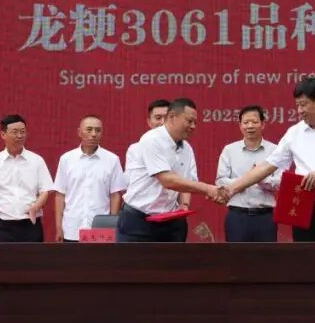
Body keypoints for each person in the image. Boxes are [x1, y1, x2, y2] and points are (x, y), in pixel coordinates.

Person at [224, 77, 315, 242]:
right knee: (304, 257)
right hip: (302, 208)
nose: (299, 110)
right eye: (297, 105)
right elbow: (267, 166)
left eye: (303, 104)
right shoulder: (294, 133)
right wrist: (231, 189)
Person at [117, 98, 221, 242]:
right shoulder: (152, 139)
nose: (193, 126)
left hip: (171, 221)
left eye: (195, 122)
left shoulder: (186, 148)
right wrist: (208, 189)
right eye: (189, 121)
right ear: (172, 117)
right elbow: (167, 180)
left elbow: (187, 183)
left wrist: (184, 205)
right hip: (139, 221)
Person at [0, 114, 53, 242]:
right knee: (4, 255)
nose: (20, 136)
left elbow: (45, 190)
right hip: (3, 225)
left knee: (33, 255)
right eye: (15, 132)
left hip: (31, 223)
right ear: (3, 134)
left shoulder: (37, 161)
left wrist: (35, 207)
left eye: (23, 132)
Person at [52, 115, 128, 242]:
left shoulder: (112, 160)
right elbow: (60, 195)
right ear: (79, 132)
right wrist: (59, 227)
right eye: (89, 129)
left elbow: (115, 195)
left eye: (98, 130)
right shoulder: (66, 159)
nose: (93, 134)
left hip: (100, 228)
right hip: (72, 228)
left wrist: (111, 225)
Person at [216, 105, 282, 242]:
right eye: (246, 122)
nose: (250, 126)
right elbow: (221, 180)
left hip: (265, 217)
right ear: (240, 125)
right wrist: (246, 181)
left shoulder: (275, 151)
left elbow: (280, 182)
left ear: (263, 124)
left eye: (254, 122)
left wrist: (261, 180)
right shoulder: (229, 150)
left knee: (267, 255)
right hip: (237, 216)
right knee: (236, 255)